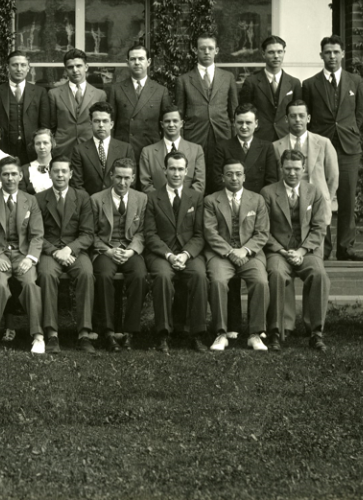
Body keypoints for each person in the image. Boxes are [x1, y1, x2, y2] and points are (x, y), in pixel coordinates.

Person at [273, 99, 339, 331]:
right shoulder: (276, 146)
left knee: (315, 268)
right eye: (293, 116)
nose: (298, 120)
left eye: (302, 115)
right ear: (287, 119)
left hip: (313, 220)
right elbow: (274, 182)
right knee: (284, 271)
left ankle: (313, 326)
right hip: (285, 219)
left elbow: (331, 179)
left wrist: (323, 207)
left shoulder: (323, 143)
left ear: (308, 118)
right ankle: (287, 325)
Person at [302, 35, 363, 261]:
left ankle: (345, 248)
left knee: (347, 198)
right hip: (321, 148)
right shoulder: (309, 84)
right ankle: (323, 248)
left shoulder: (355, 81)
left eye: (336, 52)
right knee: (321, 197)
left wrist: (351, 133)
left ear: (342, 54)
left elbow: (359, 114)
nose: (332, 56)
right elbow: (307, 117)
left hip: (348, 148)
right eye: (327, 52)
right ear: (321, 55)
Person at [262, 150, 330, 352]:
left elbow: (319, 228)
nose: (292, 173)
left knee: (319, 275)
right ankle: (277, 330)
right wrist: (282, 251)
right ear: (281, 168)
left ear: (303, 169)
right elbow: (263, 230)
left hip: (306, 250)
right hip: (278, 251)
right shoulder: (268, 193)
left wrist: (301, 251)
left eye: (296, 169)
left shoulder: (314, 192)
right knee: (275, 273)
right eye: (288, 168)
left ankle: (315, 332)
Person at [0, 157, 45, 354]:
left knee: (31, 284)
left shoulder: (30, 200)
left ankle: (38, 336)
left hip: (23, 255)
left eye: (14, 174)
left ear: (21, 175)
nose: (10, 178)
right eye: (5, 174)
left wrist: (30, 258)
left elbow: (37, 234)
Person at [143, 150, 208, 353]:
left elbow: (199, 234)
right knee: (162, 277)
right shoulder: (153, 198)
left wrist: (186, 254)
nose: (176, 173)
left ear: (187, 171)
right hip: (162, 253)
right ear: (165, 170)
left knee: (199, 275)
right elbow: (150, 235)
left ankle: (196, 333)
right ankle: (163, 333)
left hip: (188, 253)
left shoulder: (196, 198)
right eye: (172, 168)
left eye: (180, 169)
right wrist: (169, 255)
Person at [204, 160, 271, 352]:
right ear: (222, 177)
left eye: (238, 174)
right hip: (221, 254)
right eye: (230, 174)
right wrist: (229, 252)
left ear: (244, 176)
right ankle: (221, 333)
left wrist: (246, 250)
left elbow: (262, 233)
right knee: (217, 281)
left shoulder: (257, 200)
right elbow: (210, 232)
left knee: (260, 281)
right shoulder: (211, 200)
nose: (234, 178)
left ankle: (255, 334)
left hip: (249, 254)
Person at [35, 158, 96, 353]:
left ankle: (84, 334)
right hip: (49, 251)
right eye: (56, 171)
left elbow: (88, 234)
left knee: (86, 273)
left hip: (74, 251)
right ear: (49, 173)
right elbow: (35, 234)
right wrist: (54, 251)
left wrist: (69, 249)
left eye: (64, 171)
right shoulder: (39, 199)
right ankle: (52, 333)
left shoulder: (82, 197)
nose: (60, 175)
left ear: (71, 174)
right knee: (46, 275)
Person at [90, 158, 148, 351]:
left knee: (139, 275)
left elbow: (142, 231)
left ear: (133, 178)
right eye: (118, 177)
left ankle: (130, 331)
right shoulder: (97, 199)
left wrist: (131, 250)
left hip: (131, 250)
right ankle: (108, 332)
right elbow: (91, 233)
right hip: (106, 250)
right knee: (104, 275)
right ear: (111, 176)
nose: (122, 183)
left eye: (127, 178)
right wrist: (108, 250)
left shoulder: (141, 199)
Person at [175, 34, 238, 159]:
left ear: (217, 50)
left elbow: (234, 112)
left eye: (210, 48)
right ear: (195, 50)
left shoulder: (228, 77)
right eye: (202, 48)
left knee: (221, 173)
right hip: (194, 136)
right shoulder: (184, 80)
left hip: (222, 135)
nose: (207, 52)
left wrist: (234, 137)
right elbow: (179, 115)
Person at [108, 44, 174, 162]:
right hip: (124, 149)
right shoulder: (116, 89)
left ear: (148, 62)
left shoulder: (160, 90)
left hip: (151, 149)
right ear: (127, 62)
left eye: (141, 59)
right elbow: (110, 124)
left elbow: (167, 125)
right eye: (133, 59)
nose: (137, 62)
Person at [0, 50, 50, 164]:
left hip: (31, 149)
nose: (19, 69)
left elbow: (45, 125)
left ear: (28, 68)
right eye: (14, 65)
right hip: (4, 148)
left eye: (23, 65)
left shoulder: (39, 92)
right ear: (7, 67)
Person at [238, 35, 302, 142]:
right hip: (259, 138)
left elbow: (299, 113)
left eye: (279, 52)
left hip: (286, 137)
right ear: (263, 54)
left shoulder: (294, 83)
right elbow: (244, 113)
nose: (276, 56)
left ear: (284, 53)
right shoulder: (251, 82)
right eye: (271, 52)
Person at [48, 48, 108, 160]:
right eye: (70, 67)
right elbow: (52, 125)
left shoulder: (100, 94)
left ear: (86, 67)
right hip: (63, 149)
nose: (75, 70)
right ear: (65, 69)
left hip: (91, 149)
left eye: (79, 66)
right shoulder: (54, 94)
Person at [210, 104, 279, 194]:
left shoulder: (267, 147)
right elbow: (217, 180)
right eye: (240, 122)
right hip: (230, 199)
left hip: (258, 200)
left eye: (248, 122)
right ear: (234, 123)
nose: (244, 127)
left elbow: (271, 181)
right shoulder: (222, 147)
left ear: (256, 124)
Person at [70, 102, 134, 197]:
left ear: (111, 124)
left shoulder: (125, 149)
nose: (101, 125)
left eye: (105, 121)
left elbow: (132, 180)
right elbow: (77, 183)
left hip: (117, 202)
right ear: (90, 124)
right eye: (96, 121)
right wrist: (90, 203)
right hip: (89, 203)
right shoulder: (79, 150)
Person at [138, 108, 206, 194]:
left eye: (175, 121)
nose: (171, 124)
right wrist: (162, 202)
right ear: (162, 124)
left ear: (181, 123)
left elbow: (199, 183)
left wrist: (184, 202)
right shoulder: (147, 152)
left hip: (187, 204)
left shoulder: (196, 150)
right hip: (158, 205)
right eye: (167, 121)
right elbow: (146, 184)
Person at [20, 128, 56, 195]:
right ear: (33, 146)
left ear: (52, 144)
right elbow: (22, 197)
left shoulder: (62, 166)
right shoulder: (24, 170)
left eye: (45, 143)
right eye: (38, 143)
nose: (42, 147)